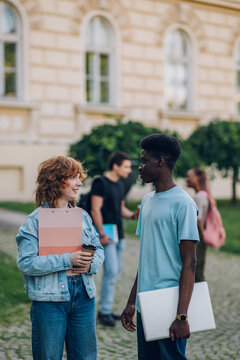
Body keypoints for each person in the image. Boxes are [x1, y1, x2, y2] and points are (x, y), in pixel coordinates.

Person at [16, 156, 104, 360]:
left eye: (79, 177)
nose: (79, 183)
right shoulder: (34, 221)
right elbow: (27, 263)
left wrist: (91, 263)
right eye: (73, 177)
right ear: (56, 180)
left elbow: (98, 248)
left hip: (84, 296)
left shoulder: (82, 215)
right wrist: (68, 259)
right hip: (49, 300)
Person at [121, 134, 200, 360]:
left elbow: (190, 262)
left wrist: (181, 316)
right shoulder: (147, 201)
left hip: (169, 305)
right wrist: (131, 301)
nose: (140, 167)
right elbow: (147, 256)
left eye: (144, 161)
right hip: (146, 305)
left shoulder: (183, 204)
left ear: (161, 162)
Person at [90, 151, 138, 327]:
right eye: (126, 166)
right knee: (110, 271)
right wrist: (101, 234)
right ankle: (104, 312)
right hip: (106, 234)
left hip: (119, 234)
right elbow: (96, 210)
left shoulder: (120, 184)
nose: (129, 170)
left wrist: (134, 216)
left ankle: (106, 309)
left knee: (115, 272)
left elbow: (121, 209)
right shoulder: (100, 182)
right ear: (115, 166)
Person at [186, 167, 210, 282]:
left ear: (197, 178)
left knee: (196, 268)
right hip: (198, 232)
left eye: (189, 177)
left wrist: (202, 235)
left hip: (198, 232)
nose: (187, 179)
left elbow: (198, 219)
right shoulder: (201, 195)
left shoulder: (200, 196)